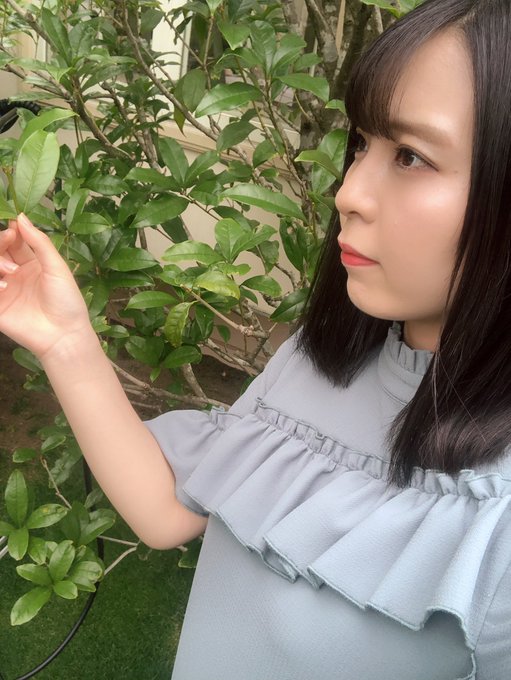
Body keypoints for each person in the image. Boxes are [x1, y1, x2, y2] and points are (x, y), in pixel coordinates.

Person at [0, 0, 509, 677]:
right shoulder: (318, 362)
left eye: (411, 156)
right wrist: (65, 339)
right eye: (362, 144)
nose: (349, 192)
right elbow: (167, 510)